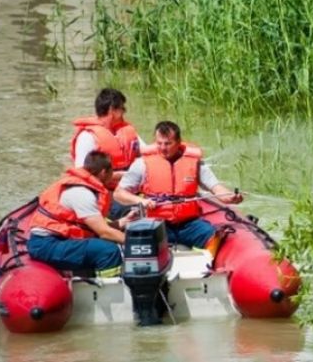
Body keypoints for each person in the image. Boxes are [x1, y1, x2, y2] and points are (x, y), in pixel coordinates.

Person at [114, 121, 243, 256]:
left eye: (168, 143)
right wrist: (140, 201)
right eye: (159, 143)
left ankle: (206, 265)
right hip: (157, 224)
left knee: (216, 238)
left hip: (189, 224)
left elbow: (216, 189)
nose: (163, 148)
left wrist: (230, 198)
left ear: (178, 142)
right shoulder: (142, 164)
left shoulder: (195, 163)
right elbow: (118, 194)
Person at [27, 151, 136, 276]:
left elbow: (91, 229)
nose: (113, 175)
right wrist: (137, 243)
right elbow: (104, 233)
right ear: (103, 172)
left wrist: (123, 221)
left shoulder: (84, 187)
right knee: (108, 251)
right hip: (46, 244)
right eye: (112, 171)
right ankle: (108, 291)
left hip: (57, 240)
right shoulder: (82, 194)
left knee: (105, 244)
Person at [70, 88, 154, 217]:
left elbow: (148, 153)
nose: (124, 112)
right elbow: (82, 174)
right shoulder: (87, 137)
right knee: (139, 212)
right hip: (105, 192)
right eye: (122, 109)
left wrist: (173, 146)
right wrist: (119, 175)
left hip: (130, 188)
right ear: (112, 110)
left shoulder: (126, 131)